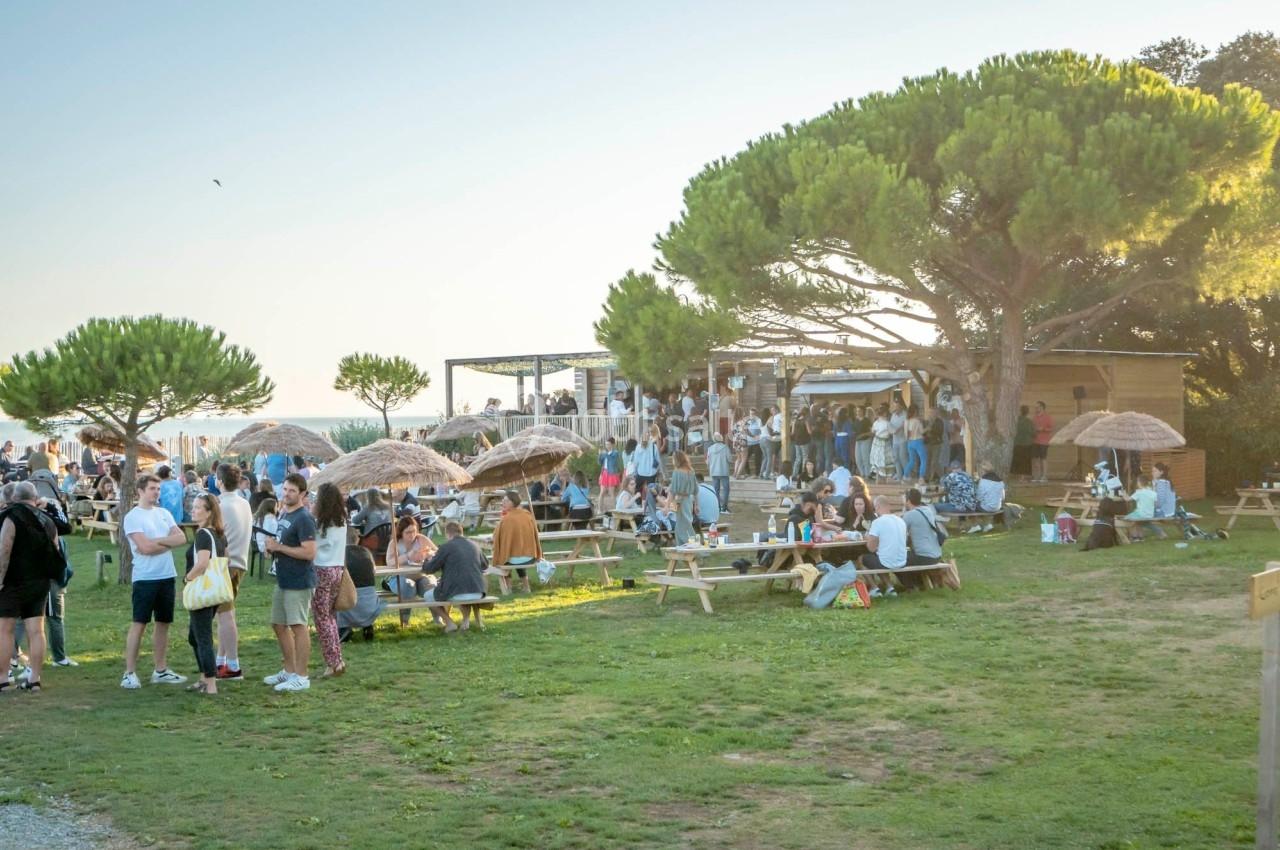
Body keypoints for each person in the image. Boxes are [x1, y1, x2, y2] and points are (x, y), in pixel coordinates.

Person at [121, 475, 189, 689]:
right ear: (140, 491)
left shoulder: (164, 513)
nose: (156, 492)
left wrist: (157, 542)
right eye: (152, 488)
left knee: (163, 623)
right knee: (139, 623)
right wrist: (166, 543)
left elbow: (182, 538)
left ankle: (160, 670)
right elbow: (144, 548)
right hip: (145, 578)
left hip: (166, 575)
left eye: (158, 489)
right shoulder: (133, 517)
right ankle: (129, 672)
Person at [0, 482, 65, 693]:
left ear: (15, 497)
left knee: (5, 629)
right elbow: (55, 550)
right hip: (39, 581)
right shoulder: (47, 520)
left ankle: (2, 678)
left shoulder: (11, 516)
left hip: (12, 581)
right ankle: (34, 678)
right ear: (35, 498)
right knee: (36, 631)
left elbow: (4, 549)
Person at [262, 474, 317, 692]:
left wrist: (279, 548)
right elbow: (284, 543)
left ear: (302, 494)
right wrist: (272, 548)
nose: (286, 494)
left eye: (292, 491)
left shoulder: (304, 518)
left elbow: (309, 552)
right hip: (283, 578)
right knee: (278, 624)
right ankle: (289, 670)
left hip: (299, 580)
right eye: (285, 489)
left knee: (298, 626)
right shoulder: (285, 513)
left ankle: (302, 676)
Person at [183, 494, 227, 695]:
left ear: (209, 513)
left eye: (198, 507)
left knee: (202, 637)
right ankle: (204, 677)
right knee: (194, 636)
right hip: (214, 589)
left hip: (203, 590)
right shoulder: (218, 534)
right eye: (193, 506)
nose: (193, 510)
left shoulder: (203, 534)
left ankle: (210, 683)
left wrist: (188, 579)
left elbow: (202, 563)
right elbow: (225, 559)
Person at [215, 463, 252, 680]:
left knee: (225, 616)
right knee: (225, 614)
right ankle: (221, 660)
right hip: (240, 562)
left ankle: (233, 665)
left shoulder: (220, 505)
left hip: (225, 565)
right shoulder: (244, 503)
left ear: (219, 481)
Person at [310, 482, 348, 678]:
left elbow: (312, 545)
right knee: (330, 616)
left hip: (322, 569)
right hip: (337, 569)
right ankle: (337, 659)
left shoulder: (320, 524)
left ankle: (333, 663)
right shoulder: (342, 521)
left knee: (322, 618)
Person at [421, 522, 489, 631]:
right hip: (479, 592)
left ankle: (449, 623)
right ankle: (466, 621)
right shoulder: (474, 545)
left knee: (427, 596)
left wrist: (427, 558)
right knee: (461, 587)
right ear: (461, 532)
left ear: (447, 534)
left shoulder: (446, 547)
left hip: (458, 593)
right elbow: (485, 565)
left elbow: (429, 569)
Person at [491, 490, 541, 594]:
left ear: (513, 502)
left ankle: (508, 588)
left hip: (516, 559)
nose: (503, 503)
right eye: (503, 500)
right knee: (517, 552)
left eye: (506, 501)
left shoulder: (506, 519)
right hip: (530, 557)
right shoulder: (527, 515)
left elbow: (496, 537)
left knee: (505, 556)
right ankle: (526, 587)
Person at [337, 542, 384, 641]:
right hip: (370, 606)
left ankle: (343, 628)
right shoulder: (366, 552)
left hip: (349, 606)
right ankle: (368, 626)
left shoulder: (339, 554)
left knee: (335, 598)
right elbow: (374, 570)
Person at [860, 495, 909, 586]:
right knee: (880, 556)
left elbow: (871, 548)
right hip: (902, 560)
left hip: (887, 563)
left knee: (862, 558)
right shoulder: (901, 521)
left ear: (877, 507)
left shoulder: (877, 522)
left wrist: (868, 538)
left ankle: (874, 588)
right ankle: (889, 586)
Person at [902, 489, 945, 566]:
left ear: (908, 501)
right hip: (937, 555)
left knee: (896, 558)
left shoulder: (909, 515)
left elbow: (901, 536)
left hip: (924, 557)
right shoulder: (928, 510)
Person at [1124, 474, 1167, 541]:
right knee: (1142, 522)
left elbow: (1127, 499)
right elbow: (1156, 504)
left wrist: (1123, 494)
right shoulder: (1153, 493)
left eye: (1137, 482)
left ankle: (1134, 536)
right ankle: (1140, 537)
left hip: (1141, 514)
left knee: (1126, 519)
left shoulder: (1139, 492)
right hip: (1150, 514)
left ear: (1139, 483)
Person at [668, 451, 698, 544]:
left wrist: (667, 505)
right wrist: (696, 505)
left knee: (682, 525)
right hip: (688, 500)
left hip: (679, 500)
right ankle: (682, 546)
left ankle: (691, 544)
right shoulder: (691, 471)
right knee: (682, 524)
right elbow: (696, 491)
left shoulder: (677, 472)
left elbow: (672, 491)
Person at [705, 432, 731, 512]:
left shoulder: (710, 448)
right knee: (726, 489)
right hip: (723, 471)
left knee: (716, 490)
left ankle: (717, 506)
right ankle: (724, 507)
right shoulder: (725, 447)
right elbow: (729, 459)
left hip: (713, 471)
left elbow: (708, 462)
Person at [597, 437, 623, 514]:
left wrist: (604, 453)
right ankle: (600, 510)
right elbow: (599, 463)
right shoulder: (604, 453)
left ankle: (616, 511)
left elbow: (611, 460)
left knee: (611, 493)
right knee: (602, 492)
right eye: (606, 444)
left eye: (608, 444)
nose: (607, 446)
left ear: (613, 444)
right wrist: (599, 455)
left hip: (611, 474)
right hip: (604, 473)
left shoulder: (615, 453)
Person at [1031, 401, 1054, 483]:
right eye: (1035, 407)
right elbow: (1032, 428)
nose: (1036, 408)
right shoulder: (1034, 417)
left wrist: (1043, 429)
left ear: (1042, 407)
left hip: (1044, 442)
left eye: (1037, 407)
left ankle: (1044, 476)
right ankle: (1036, 476)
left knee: (1043, 459)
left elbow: (1051, 429)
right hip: (1035, 441)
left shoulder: (1048, 417)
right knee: (1035, 459)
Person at [870, 406, 893, 480]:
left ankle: (877, 475)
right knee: (885, 459)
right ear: (885, 413)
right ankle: (885, 476)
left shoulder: (876, 423)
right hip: (885, 442)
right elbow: (892, 432)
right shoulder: (887, 423)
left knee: (877, 458)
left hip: (876, 441)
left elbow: (873, 431)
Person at [925, 407, 948, 481]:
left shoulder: (939, 421)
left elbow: (940, 431)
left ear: (936, 413)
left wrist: (931, 429)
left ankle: (942, 477)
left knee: (934, 462)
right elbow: (923, 432)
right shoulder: (926, 421)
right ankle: (927, 478)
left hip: (936, 443)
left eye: (932, 412)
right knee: (927, 461)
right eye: (929, 412)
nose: (931, 414)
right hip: (928, 443)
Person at [1013, 406, 1035, 481]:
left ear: (1020, 411)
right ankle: (1022, 477)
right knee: (1025, 461)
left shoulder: (1016, 421)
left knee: (1018, 460)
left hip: (1017, 443)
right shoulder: (1029, 422)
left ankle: (1018, 477)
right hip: (1027, 444)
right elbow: (1033, 433)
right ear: (1027, 412)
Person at [888, 401, 908, 482]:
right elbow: (890, 425)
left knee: (903, 457)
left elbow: (905, 425)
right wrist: (892, 430)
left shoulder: (905, 414)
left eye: (897, 406)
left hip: (903, 439)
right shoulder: (893, 415)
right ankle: (899, 476)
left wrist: (898, 429)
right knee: (896, 458)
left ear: (901, 407)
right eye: (894, 406)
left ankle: (907, 475)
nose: (895, 408)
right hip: (895, 440)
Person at [852, 406, 873, 479]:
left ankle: (867, 474)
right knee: (858, 459)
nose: (858, 412)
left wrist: (863, 435)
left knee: (865, 458)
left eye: (859, 411)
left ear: (863, 411)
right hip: (858, 441)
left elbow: (871, 432)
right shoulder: (856, 420)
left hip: (865, 440)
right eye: (857, 411)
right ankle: (862, 473)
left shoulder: (867, 420)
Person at [762, 406, 782, 480]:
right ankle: (772, 471)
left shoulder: (778, 416)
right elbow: (770, 426)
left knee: (773, 455)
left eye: (773, 410)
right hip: (775, 437)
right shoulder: (773, 417)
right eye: (771, 410)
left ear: (777, 410)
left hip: (777, 437)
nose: (772, 412)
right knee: (773, 455)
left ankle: (772, 472)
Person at [790, 409, 811, 476]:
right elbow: (809, 432)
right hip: (804, 441)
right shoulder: (805, 421)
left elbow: (792, 433)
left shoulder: (795, 421)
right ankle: (803, 473)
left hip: (797, 442)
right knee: (805, 457)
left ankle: (794, 474)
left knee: (798, 458)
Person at [744, 409, 763, 477]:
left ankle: (757, 474)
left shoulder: (759, 420)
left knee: (757, 459)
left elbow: (762, 430)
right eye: (750, 414)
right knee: (745, 458)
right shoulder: (747, 421)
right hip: (749, 443)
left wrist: (759, 436)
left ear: (756, 414)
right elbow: (745, 429)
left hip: (757, 443)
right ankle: (747, 472)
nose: (752, 415)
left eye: (753, 414)